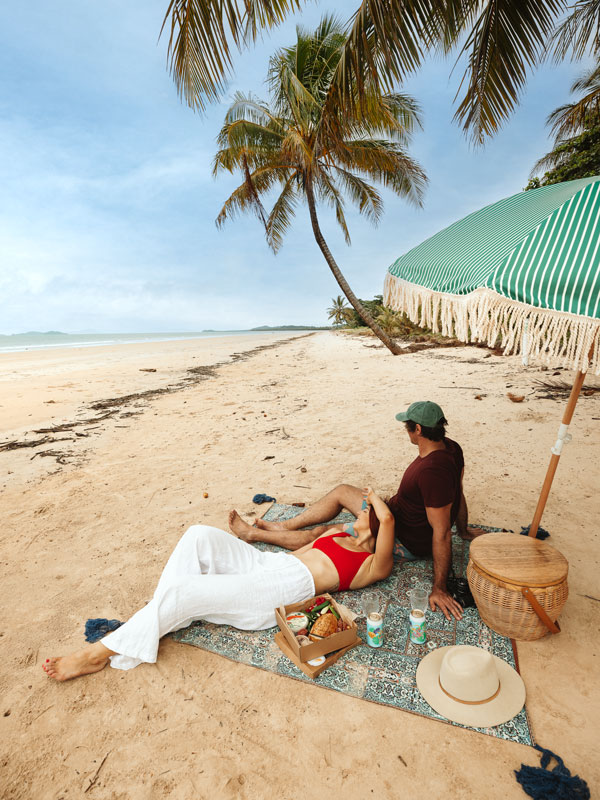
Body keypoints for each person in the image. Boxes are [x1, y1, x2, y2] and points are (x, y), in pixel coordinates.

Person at [42, 488, 394, 682]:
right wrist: (262, 535)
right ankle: (154, 615)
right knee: (198, 535)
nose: (359, 508)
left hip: (282, 591)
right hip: (272, 565)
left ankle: (95, 654)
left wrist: (380, 503)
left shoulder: (371, 564)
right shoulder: (337, 533)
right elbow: (298, 546)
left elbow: (389, 519)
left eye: (366, 509)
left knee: (184, 592)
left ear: (377, 522)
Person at [229, 401, 481, 621]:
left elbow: (441, 532)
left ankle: (255, 535)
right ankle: (284, 525)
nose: (406, 430)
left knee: (322, 534)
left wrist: (439, 588)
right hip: (393, 510)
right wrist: (465, 529)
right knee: (341, 491)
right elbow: (457, 491)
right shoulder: (451, 447)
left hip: (401, 534)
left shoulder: (430, 472)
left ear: (418, 430)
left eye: (408, 426)